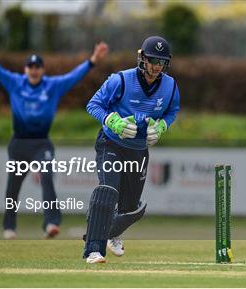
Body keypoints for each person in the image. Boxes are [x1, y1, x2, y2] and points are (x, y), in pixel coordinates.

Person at [0, 25, 109, 239]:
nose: (33, 70)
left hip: (42, 143)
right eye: (30, 66)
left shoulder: (52, 86)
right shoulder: (15, 83)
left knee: (47, 178)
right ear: (26, 69)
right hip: (19, 143)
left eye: (37, 66)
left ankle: (51, 222)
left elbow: (73, 76)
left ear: (42, 69)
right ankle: (9, 226)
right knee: (13, 186)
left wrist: (92, 60)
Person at [83, 35, 180, 263]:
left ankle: (113, 232)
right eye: (152, 61)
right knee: (108, 189)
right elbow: (93, 104)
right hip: (111, 143)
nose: (156, 67)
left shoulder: (170, 86)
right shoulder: (121, 80)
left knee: (130, 208)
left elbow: (172, 111)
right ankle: (94, 250)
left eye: (161, 62)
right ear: (142, 58)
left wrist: (163, 125)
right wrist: (111, 121)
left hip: (138, 150)